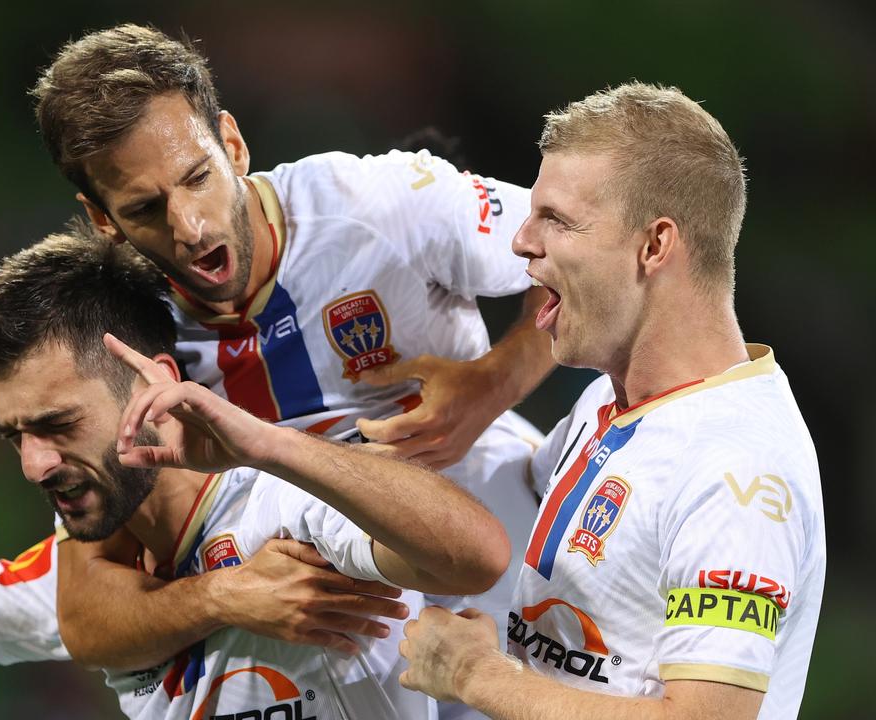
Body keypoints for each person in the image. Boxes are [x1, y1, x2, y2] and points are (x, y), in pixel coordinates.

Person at [0, 227, 511, 718]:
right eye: (14, 437)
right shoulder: (90, 572)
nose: (35, 464)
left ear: (152, 381)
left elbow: (473, 553)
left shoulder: (287, 506)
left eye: (58, 425)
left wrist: (274, 443)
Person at [31, 24, 555, 671]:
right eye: (145, 208)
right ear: (104, 219)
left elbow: (585, 248)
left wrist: (495, 381)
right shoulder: (123, 341)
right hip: (356, 668)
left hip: (528, 606)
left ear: (233, 144)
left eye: (197, 177)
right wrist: (219, 597)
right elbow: (87, 615)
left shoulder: (382, 206)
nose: (190, 228)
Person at [394, 83, 826, 719]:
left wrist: (474, 674)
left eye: (558, 221)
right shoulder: (611, 398)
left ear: (654, 247)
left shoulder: (739, 474)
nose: (521, 242)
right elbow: (509, 509)